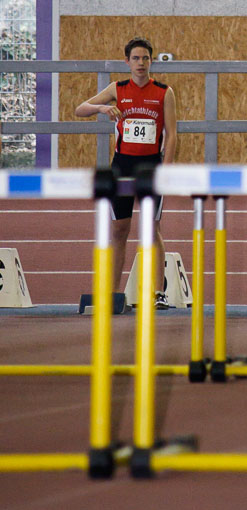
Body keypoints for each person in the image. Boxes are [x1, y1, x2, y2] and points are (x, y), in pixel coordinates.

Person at [75, 37, 177, 309]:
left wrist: (165, 169)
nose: (141, 63)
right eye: (136, 59)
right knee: (119, 229)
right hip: (121, 165)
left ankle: (158, 294)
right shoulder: (117, 89)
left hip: (150, 166)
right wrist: (101, 107)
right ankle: (113, 294)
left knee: (151, 230)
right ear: (127, 62)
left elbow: (172, 134)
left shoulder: (165, 92)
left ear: (151, 61)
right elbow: (80, 109)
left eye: (145, 58)